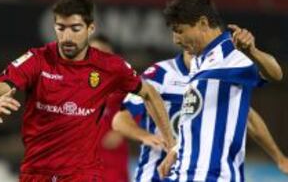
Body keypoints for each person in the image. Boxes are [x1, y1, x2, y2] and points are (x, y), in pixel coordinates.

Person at [0, 0, 175, 182]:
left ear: (90, 28)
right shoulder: (37, 60)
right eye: (61, 28)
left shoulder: (109, 66)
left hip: (82, 175)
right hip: (36, 173)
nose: (67, 37)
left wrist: (170, 143)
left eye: (75, 29)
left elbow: (149, 93)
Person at [156, 0, 283, 181]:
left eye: (180, 30)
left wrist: (253, 52)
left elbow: (276, 74)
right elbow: (198, 117)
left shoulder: (232, 50)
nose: (175, 39)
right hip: (184, 171)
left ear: (203, 23)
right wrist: (176, 149)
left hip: (211, 175)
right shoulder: (199, 60)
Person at [113, 50, 288, 182]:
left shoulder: (220, 75)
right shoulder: (160, 74)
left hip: (198, 173)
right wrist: (146, 136)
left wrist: (279, 158)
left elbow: (248, 118)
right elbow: (120, 119)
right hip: (156, 174)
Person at [90, 34, 130, 182]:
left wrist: (121, 132)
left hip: (112, 159)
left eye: (102, 51)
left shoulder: (124, 79)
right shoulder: (75, 80)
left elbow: (141, 104)